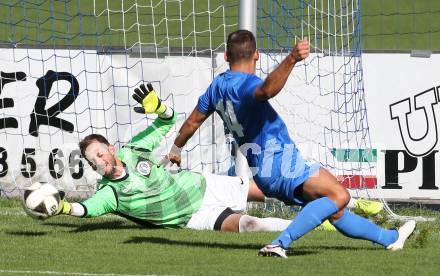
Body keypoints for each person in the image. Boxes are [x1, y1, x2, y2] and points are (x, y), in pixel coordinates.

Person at [166, 30, 415, 258]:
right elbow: (266, 90)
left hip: (264, 173)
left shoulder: (217, 87)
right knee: (340, 194)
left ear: (226, 55)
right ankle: (280, 243)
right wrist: (292, 58)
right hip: (282, 164)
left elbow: (192, 121)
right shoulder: (247, 84)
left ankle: (389, 238)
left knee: (334, 208)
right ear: (256, 55)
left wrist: (176, 149)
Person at [23, 83, 294, 234]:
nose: (98, 161)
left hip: (201, 185)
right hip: (193, 218)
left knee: (270, 190)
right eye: (92, 161)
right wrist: (64, 208)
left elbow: (168, 122)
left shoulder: (134, 150)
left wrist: (160, 108)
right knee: (250, 224)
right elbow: (88, 209)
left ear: (111, 149)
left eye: (99, 153)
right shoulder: (111, 194)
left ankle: (317, 204)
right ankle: (305, 225)